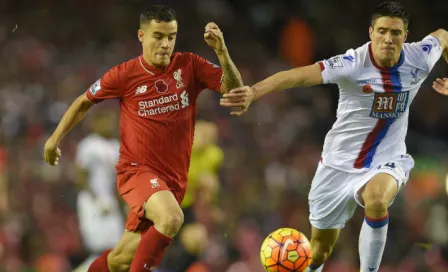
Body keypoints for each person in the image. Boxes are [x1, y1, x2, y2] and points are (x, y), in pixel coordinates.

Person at [220, 2, 448, 271]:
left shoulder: (419, 57)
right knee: (317, 254)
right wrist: (253, 93)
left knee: (376, 200)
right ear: (371, 32)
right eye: (382, 31)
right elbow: (297, 76)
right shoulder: (352, 64)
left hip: (388, 159)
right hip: (337, 165)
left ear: (405, 35)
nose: (388, 38)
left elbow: (443, 35)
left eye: (395, 32)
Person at [43, 4, 243, 272]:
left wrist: (221, 52)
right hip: (137, 172)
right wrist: (53, 140)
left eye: (171, 36)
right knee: (172, 218)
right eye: (158, 36)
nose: (165, 44)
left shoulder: (189, 66)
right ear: (141, 36)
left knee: (121, 259)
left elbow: (233, 88)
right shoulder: (125, 74)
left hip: (172, 180)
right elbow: (83, 102)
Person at [72, 110, 124, 272]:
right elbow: (80, 177)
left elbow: (119, 180)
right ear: (96, 124)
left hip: (110, 201)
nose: (109, 125)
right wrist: (96, 199)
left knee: (116, 245)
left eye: (111, 121)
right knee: (97, 245)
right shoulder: (88, 145)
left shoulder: (117, 147)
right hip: (91, 200)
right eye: (105, 121)